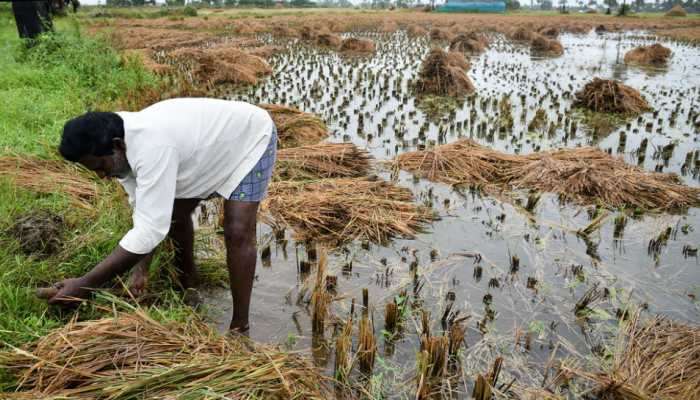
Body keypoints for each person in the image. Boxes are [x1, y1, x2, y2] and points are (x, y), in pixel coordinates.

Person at [50, 98, 277, 333]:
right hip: (203, 151)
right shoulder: (112, 140)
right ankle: (188, 285)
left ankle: (240, 326)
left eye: (100, 166)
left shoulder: (151, 146)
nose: (101, 175)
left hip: (249, 139)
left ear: (117, 146)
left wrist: (85, 285)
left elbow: (150, 229)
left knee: (238, 231)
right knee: (174, 215)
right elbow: (145, 214)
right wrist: (141, 269)